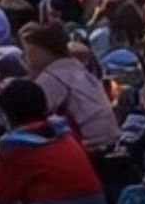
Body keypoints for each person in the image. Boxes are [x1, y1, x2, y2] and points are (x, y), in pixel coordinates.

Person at [22, 22, 120, 153]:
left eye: (29, 52)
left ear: (43, 51)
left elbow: (30, 116)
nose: (26, 58)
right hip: (110, 138)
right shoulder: (74, 65)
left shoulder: (51, 77)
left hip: (89, 147)